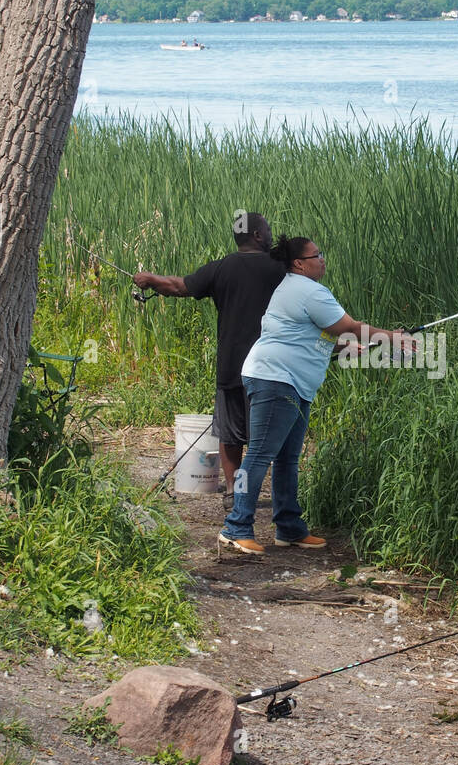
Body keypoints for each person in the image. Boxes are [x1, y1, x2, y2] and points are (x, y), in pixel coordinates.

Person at [219, 235, 416, 555]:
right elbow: (349, 326)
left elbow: (315, 334)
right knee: (257, 456)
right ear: (299, 263)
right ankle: (236, 526)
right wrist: (394, 337)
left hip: (293, 383)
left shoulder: (296, 291)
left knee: (287, 458)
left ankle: (289, 528)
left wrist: (347, 346)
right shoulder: (307, 290)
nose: (322, 259)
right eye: (317, 255)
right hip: (275, 379)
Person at [134, 212, 284, 507]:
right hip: (269, 368)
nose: (269, 234)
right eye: (266, 230)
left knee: (231, 436)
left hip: (231, 366)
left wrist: (151, 280)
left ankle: (234, 491)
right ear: (256, 235)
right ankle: (267, 496)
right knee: (264, 438)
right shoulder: (279, 269)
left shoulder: (221, 268)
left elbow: (178, 287)